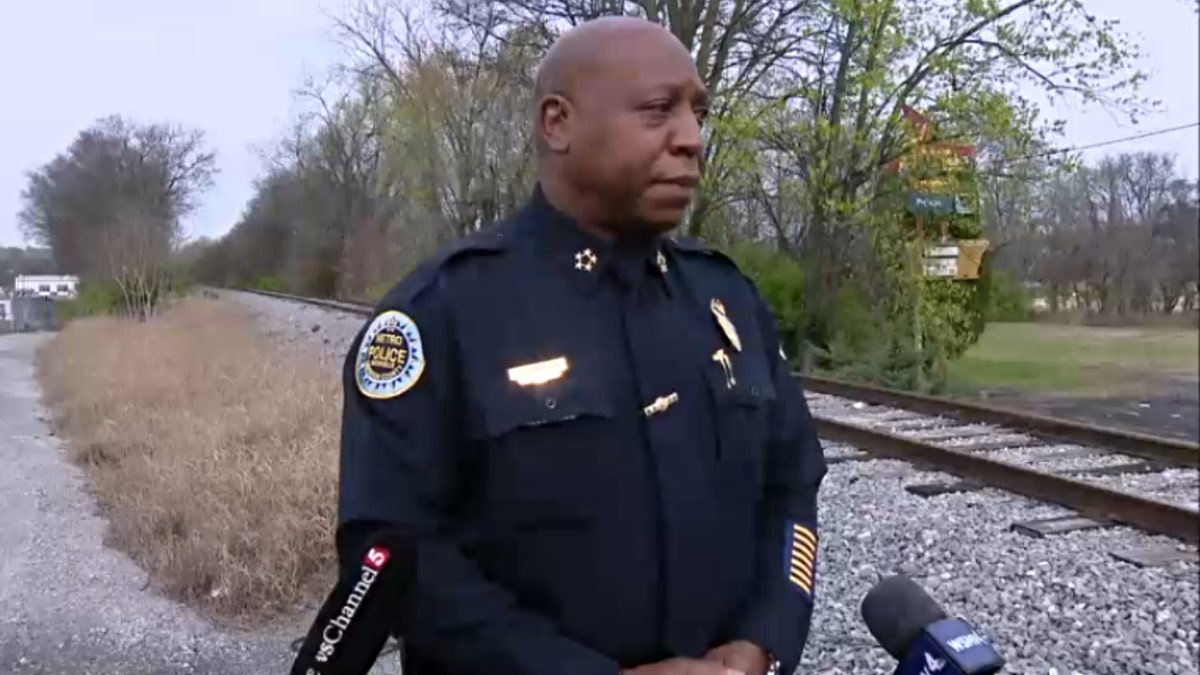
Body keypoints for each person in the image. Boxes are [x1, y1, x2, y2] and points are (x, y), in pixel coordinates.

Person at [336, 15, 828, 675]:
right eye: (658, 111)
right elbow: (392, 551)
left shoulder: (726, 301)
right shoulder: (443, 313)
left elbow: (791, 486)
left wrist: (762, 641)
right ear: (557, 123)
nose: (692, 139)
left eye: (697, 113)